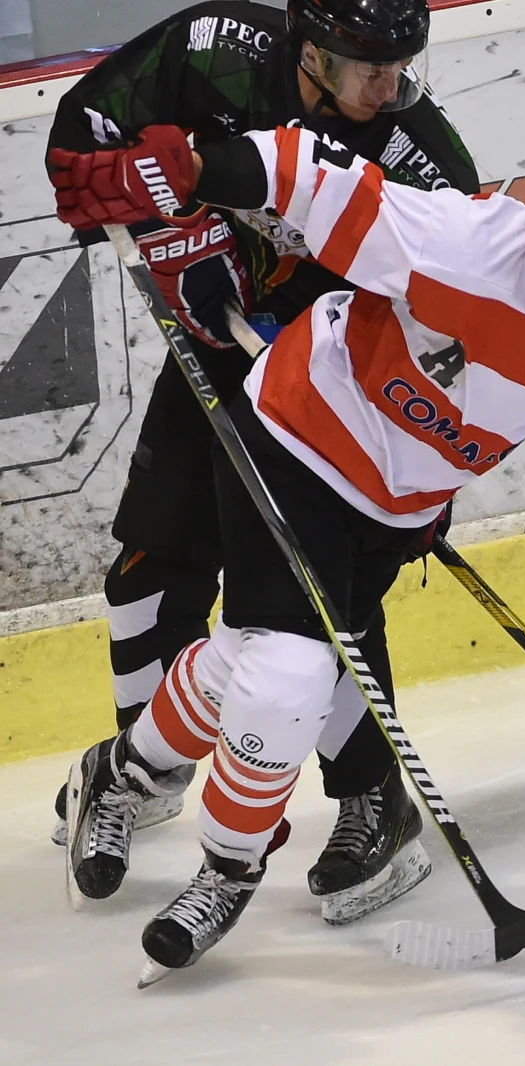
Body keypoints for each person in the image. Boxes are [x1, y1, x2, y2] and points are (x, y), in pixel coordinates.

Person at [48, 122, 525, 979]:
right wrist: (193, 165)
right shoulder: (468, 247)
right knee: (290, 676)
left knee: (242, 660)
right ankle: (228, 869)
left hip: (396, 506)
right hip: (294, 436)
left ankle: (121, 772)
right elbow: (317, 180)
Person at [45, 0, 481, 925]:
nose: (390, 87)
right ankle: (136, 777)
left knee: (314, 606)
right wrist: (166, 225)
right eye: (368, 69)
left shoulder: (425, 159)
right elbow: (83, 138)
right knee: (149, 573)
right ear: (309, 53)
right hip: (217, 347)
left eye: (403, 65)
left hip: (342, 397)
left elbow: (457, 323)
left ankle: (375, 800)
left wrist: (424, 459)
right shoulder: (220, 53)